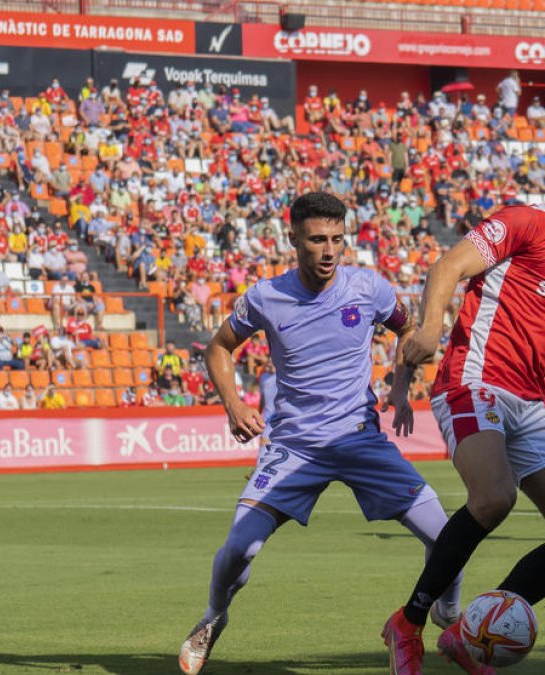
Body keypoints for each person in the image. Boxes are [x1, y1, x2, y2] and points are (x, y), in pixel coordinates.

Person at [179, 193, 463, 675]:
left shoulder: (367, 287)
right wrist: (234, 405)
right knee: (238, 550)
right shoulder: (266, 297)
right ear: (293, 239)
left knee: (449, 538)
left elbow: (409, 328)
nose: (329, 250)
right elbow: (218, 348)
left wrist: (398, 387)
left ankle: (449, 615)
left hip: (359, 437)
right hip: (294, 447)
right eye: (317, 240)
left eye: (337, 239)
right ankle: (212, 618)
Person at [382, 127, 545, 674]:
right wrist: (427, 328)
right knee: (493, 499)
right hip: (475, 381)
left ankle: (473, 632)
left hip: (529, 404)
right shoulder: (523, 221)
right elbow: (448, 266)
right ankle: (410, 621)